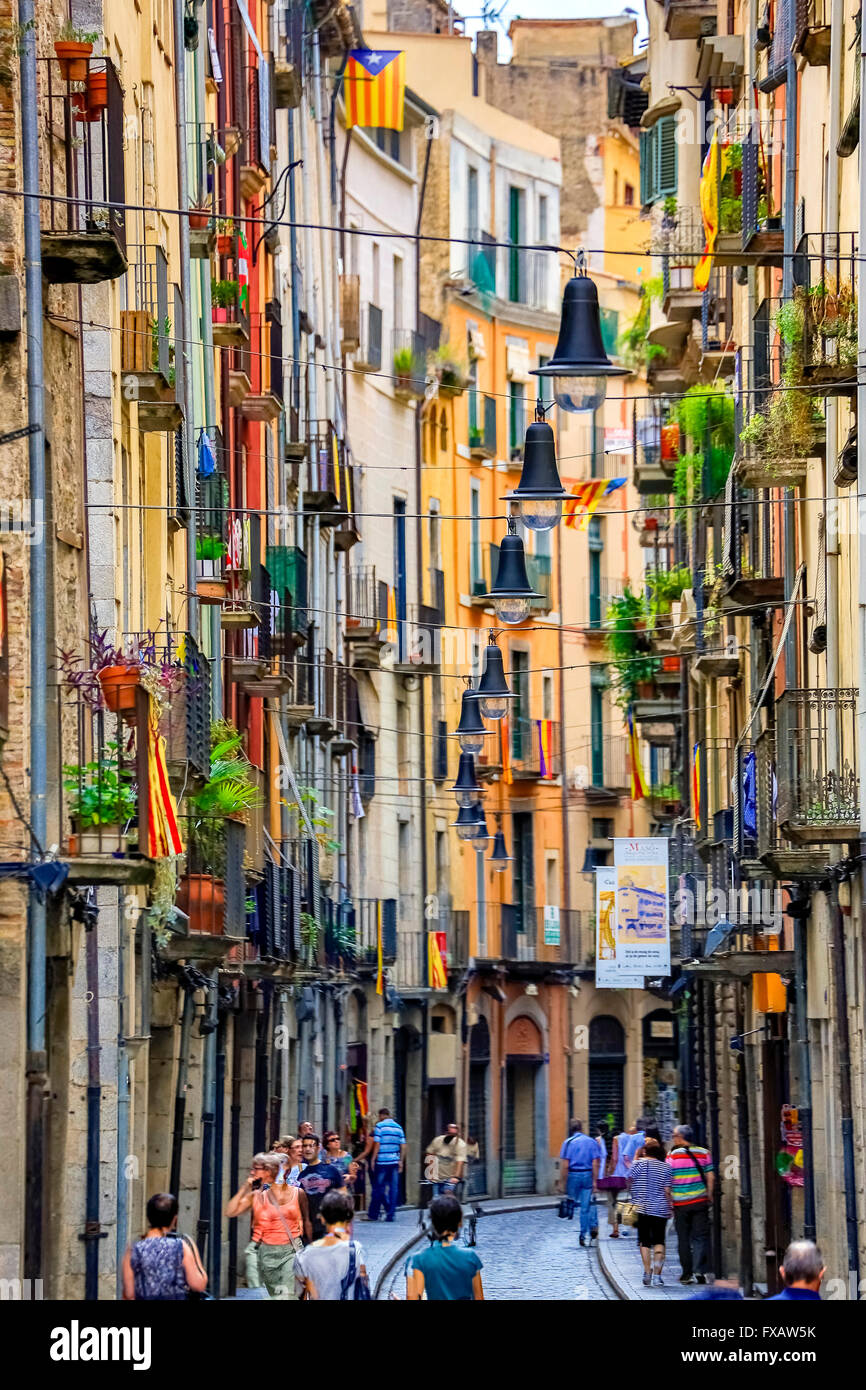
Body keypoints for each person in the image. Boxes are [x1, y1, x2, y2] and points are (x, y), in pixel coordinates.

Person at [226, 1151, 308, 1298]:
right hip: (268, 1255)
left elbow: (306, 1220)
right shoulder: (258, 1196)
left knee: (287, 1294)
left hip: (291, 1250)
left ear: (268, 1171)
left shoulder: (298, 1193)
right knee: (276, 1294)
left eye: (255, 1168)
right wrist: (246, 1185)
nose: (251, 1172)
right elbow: (230, 1211)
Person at [122, 1192, 208, 1301]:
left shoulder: (134, 1249)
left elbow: (129, 1294)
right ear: (174, 1219)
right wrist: (196, 1258)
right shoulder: (181, 1246)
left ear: (149, 1217)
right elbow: (198, 1284)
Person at [405, 1194, 484, 1301]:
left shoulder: (417, 1260)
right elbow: (479, 1298)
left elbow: (413, 1298)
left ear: (433, 1223)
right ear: (459, 1223)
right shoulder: (470, 1257)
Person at [294, 1189, 369, 1300]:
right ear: (348, 1218)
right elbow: (364, 1286)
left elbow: (299, 1293)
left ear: (323, 1219)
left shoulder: (303, 1256)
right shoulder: (356, 1250)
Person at [665, 1123, 715, 1285]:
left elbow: (667, 1183)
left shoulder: (671, 1156)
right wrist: (709, 1194)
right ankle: (699, 1270)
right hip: (700, 1201)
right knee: (700, 1236)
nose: (673, 1139)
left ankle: (687, 1273)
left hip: (680, 1203)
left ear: (680, 1138)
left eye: (674, 1136)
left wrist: (669, 1200)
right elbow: (711, 1176)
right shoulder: (704, 1153)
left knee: (683, 1238)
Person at [627, 1137, 671, 1287]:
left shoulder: (636, 1165)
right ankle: (658, 1276)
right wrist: (670, 1206)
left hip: (640, 1208)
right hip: (659, 1208)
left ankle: (647, 1272)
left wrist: (636, 1155)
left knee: (644, 1241)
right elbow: (667, 1190)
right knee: (659, 1241)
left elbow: (629, 1181)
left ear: (644, 1151)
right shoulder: (665, 1167)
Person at [297, 1133, 347, 1240]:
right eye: (305, 1146)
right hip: (309, 1230)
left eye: (311, 1145)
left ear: (318, 1148)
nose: (308, 1149)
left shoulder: (331, 1170)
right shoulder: (300, 1175)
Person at [558, 1119, 600, 1247]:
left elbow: (565, 1165)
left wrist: (562, 1183)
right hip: (587, 1174)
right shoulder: (591, 1142)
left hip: (573, 1175)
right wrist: (595, 1181)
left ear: (571, 1129)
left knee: (571, 1201)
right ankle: (586, 1231)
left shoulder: (568, 1143)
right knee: (586, 1205)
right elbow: (595, 1163)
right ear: (581, 1128)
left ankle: (570, 1208)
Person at [368, 1107, 406, 1222]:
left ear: (381, 1116)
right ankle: (391, 1214)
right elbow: (403, 1145)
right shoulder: (398, 1127)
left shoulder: (380, 1126)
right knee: (393, 1189)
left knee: (379, 1188)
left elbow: (377, 1144)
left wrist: (373, 1159)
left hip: (382, 1161)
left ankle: (375, 1213)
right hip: (394, 1161)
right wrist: (401, 1161)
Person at [602, 1125, 631, 1238]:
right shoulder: (630, 1138)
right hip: (629, 1172)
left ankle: (615, 1229)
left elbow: (614, 1158)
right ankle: (631, 1225)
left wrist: (609, 1171)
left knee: (612, 1200)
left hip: (617, 1174)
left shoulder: (616, 1139)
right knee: (629, 1199)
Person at [426, 1122, 468, 1195]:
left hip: (451, 1176)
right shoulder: (437, 1141)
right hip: (437, 1175)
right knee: (436, 1198)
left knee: (448, 1193)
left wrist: (456, 1177)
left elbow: (460, 1162)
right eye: (450, 1134)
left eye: (454, 1135)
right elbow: (430, 1154)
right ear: (446, 1133)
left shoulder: (460, 1144)